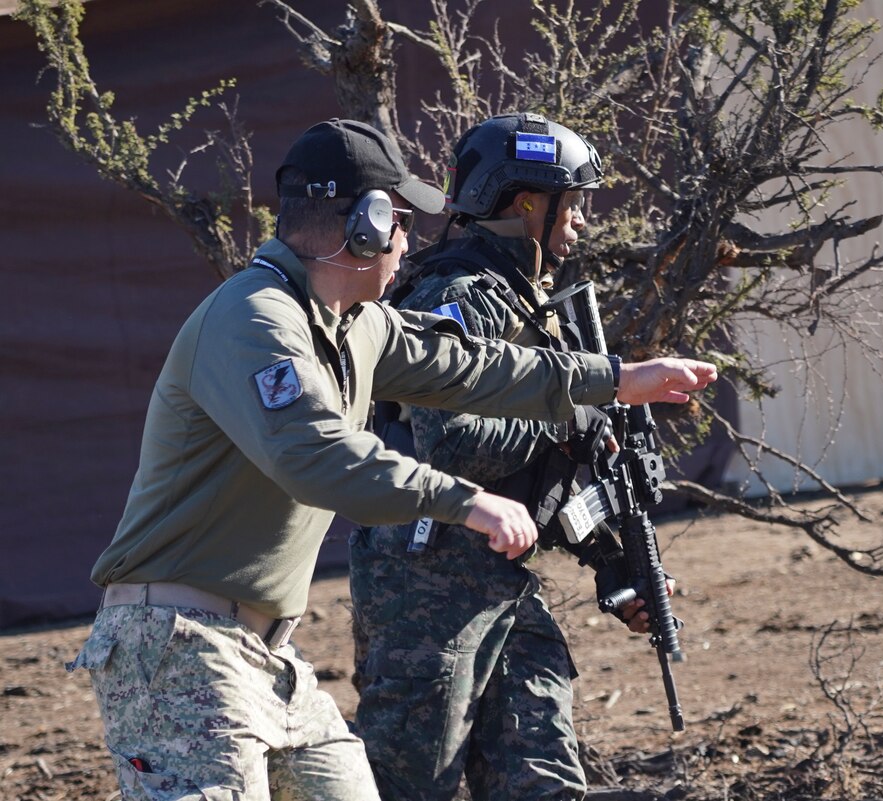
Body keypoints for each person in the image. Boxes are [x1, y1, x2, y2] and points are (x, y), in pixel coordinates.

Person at [65, 117, 717, 801]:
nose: (410, 241)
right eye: (400, 220)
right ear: (367, 224)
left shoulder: (357, 324)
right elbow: (316, 453)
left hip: (265, 652)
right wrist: (462, 498)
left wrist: (615, 379)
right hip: (176, 648)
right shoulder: (256, 319)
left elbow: (474, 366)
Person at [349, 112, 674, 801]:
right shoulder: (455, 296)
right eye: (575, 204)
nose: (582, 222)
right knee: (407, 784)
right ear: (529, 202)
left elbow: (543, 475)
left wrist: (615, 562)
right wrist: (568, 419)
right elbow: (452, 443)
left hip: (500, 579)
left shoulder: (528, 301)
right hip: (425, 586)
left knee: (545, 780)